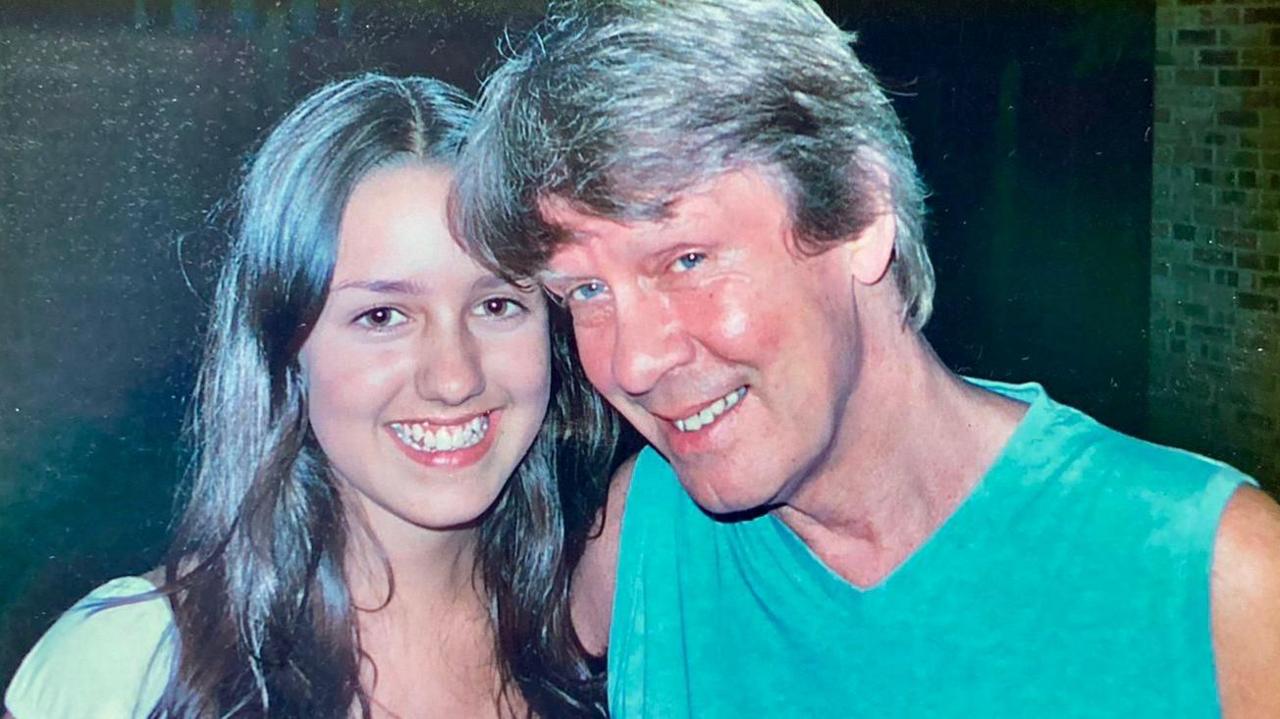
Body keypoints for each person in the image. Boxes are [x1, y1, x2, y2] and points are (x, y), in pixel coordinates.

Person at [453, 1, 1280, 716]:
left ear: (859, 215)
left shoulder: (1209, 577)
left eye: (686, 260)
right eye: (583, 295)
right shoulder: (644, 535)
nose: (631, 364)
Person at [4, 73, 615, 719]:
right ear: (284, 347)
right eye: (382, 316)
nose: (454, 377)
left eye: (496, 304)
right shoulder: (134, 663)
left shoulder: (615, 642)